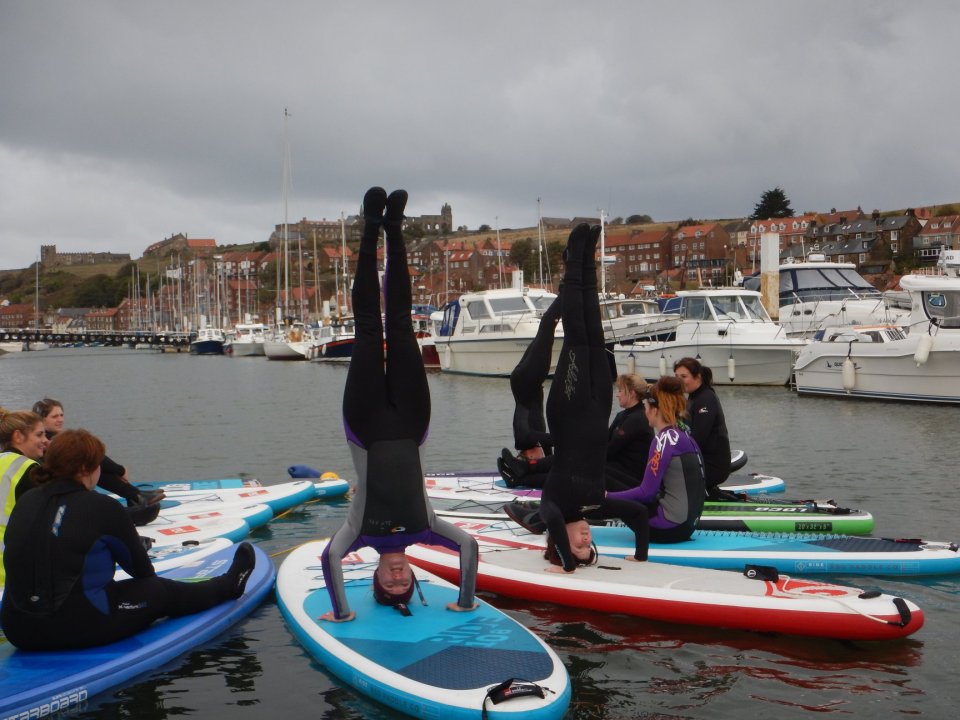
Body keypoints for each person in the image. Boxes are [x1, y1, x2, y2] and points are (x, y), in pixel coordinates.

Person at [320, 187, 479, 621]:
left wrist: (342, 613)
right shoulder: (425, 529)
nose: (396, 580)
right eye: (403, 584)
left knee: (369, 329)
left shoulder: (359, 535)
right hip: (413, 423)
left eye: (388, 585)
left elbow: (328, 559)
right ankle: (396, 226)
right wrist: (464, 601)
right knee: (404, 328)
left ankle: (371, 226)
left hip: (365, 425)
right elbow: (469, 546)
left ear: (374, 577)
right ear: (412, 575)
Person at [0, 429, 256, 650]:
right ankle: (229, 585)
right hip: (82, 627)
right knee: (159, 590)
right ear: (85, 469)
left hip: (19, 631)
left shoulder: (26, 501)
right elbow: (142, 571)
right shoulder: (101, 506)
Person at [535, 223, 649, 572]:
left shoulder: (552, 508)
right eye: (589, 546)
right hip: (599, 408)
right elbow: (639, 515)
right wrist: (640, 556)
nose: (586, 540)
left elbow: (555, 526)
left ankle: (574, 258)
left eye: (578, 545)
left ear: (560, 542)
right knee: (595, 334)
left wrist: (568, 566)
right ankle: (587, 257)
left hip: (567, 411)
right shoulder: (596, 507)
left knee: (576, 336)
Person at [499, 372, 652, 492]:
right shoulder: (624, 415)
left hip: (626, 477)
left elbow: (608, 451)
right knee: (573, 455)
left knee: (572, 468)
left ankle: (520, 478)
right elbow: (604, 442)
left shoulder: (637, 419)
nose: (618, 394)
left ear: (631, 393)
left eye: (620, 390)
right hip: (612, 466)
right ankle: (526, 468)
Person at [605, 376, 706, 543]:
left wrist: (608, 497)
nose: (645, 412)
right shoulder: (684, 434)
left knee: (603, 479)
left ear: (654, 410)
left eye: (645, 407)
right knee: (610, 475)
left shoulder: (663, 440)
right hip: (687, 526)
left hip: (666, 529)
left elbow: (646, 493)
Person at [32, 397, 163, 520]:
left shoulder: (51, 438)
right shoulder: (48, 441)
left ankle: (135, 496)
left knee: (94, 466)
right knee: (90, 460)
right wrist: (120, 470)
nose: (60, 419)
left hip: (62, 484)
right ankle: (133, 500)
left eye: (61, 415)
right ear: (42, 420)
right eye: (55, 416)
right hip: (62, 486)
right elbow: (91, 454)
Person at [497, 295, 561, 483]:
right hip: (523, 381)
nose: (543, 459)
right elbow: (551, 464)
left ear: (530, 456)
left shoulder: (523, 440)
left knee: (547, 328)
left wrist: (564, 440)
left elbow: (538, 437)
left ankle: (566, 290)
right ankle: (565, 292)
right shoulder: (539, 446)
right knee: (545, 329)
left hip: (526, 382)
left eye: (537, 460)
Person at [1, 408, 48, 585]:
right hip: (10, 571)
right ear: (18, 436)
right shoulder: (27, 469)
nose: (45, 440)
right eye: (39, 434)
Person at [673, 357, 732, 499]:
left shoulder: (706, 398)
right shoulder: (692, 398)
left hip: (713, 466)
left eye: (684, 376)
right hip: (699, 462)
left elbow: (697, 438)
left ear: (697, 377)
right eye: (676, 376)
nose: (679, 381)